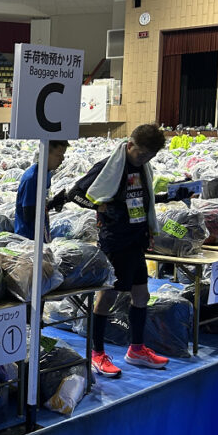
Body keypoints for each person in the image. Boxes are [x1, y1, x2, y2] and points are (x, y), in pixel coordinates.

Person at [66, 123, 181, 376]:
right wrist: (99, 207)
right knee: (107, 298)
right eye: (141, 154)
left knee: (141, 296)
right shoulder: (108, 166)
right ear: (130, 146)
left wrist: (170, 196)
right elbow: (74, 194)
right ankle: (97, 353)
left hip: (136, 240)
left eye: (150, 156)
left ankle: (136, 349)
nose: (145, 160)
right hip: (115, 241)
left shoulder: (143, 168)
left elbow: (143, 199)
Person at [14, 140, 69, 241]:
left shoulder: (46, 173)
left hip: (41, 232)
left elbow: (40, 204)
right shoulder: (32, 178)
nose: (62, 159)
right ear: (45, 154)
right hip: (29, 238)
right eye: (58, 155)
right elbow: (29, 214)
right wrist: (51, 203)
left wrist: (54, 201)